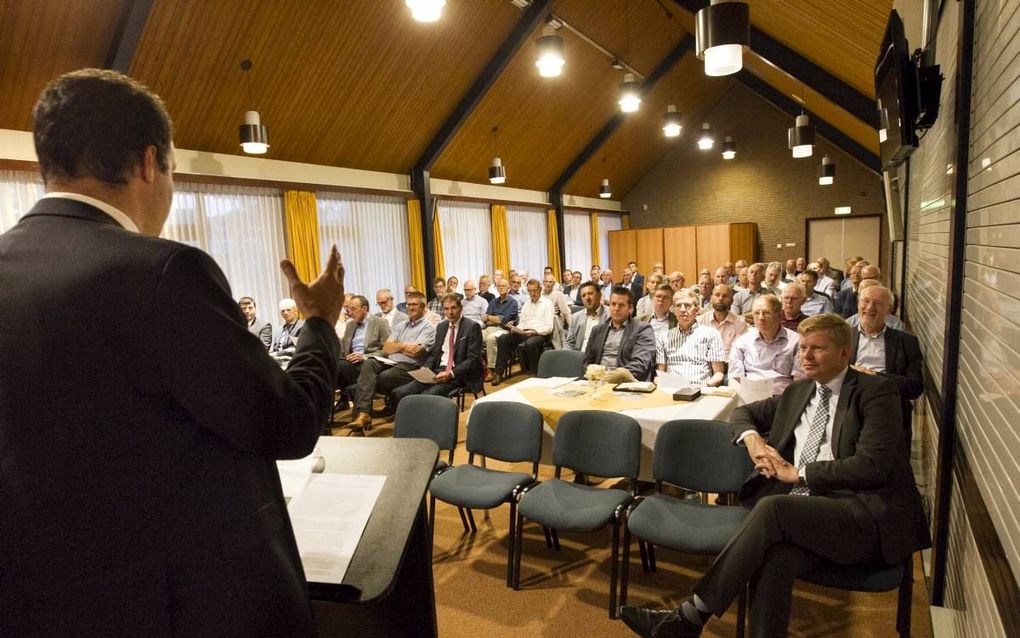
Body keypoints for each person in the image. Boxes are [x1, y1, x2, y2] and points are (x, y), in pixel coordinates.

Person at [0, 69, 343, 636]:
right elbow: (287, 423)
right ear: (149, 162)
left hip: (41, 597)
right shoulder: (162, 271)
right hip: (179, 600)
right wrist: (319, 324)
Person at [622, 315, 930, 638]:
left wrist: (799, 474)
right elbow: (743, 413)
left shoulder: (877, 392)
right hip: (808, 512)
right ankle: (687, 625)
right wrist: (753, 440)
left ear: (844, 353)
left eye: (818, 348)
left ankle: (689, 617)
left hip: (861, 514)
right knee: (776, 558)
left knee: (773, 509)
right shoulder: (800, 391)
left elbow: (872, 466)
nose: (806, 355)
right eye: (804, 348)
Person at [349, 291, 435, 432]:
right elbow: (387, 348)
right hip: (390, 362)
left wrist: (397, 346)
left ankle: (360, 418)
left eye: (414, 305)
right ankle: (363, 414)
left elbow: (415, 352)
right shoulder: (401, 325)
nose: (410, 308)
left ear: (423, 307)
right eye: (408, 305)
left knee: (370, 379)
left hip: (410, 367)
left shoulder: (429, 328)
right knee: (368, 363)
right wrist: (403, 346)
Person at [850, 285, 923, 446]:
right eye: (866, 301)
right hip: (849, 407)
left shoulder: (906, 342)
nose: (870, 307)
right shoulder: (842, 337)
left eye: (877, 303)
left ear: (889, 310)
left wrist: (874, 376)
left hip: (890, 408)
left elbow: (915, 387)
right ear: (858, 303)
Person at [391, 293, 483, 406]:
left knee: (426, 396)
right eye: (446, 309)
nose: (450, 312)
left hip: (459, 375)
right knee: (399, 393)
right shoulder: (442, 327)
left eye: (453, 308)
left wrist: (451, 373)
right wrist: (426, 368)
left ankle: (427, 422)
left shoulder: (472, 327)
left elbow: (472, 360)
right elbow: (434, 354)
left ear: (460, 308)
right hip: (438, 371)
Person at [729, 295, 802, 396]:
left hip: (781, 399)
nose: (761, 318)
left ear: (780, 315)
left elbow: (800, 381)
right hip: (749, 398)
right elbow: (734, 378)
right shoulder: (742, 342)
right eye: (756, 313)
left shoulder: (796, 341)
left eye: (766, 313)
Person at [584, 286, 657, 381]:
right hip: (597, 382)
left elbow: (640, 363)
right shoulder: (597, 330)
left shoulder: (643, 329)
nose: (616, 308)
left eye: (621, 305)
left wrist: (611, 377)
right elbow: (587, 361)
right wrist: (592, 374)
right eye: (613, 304)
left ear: (630, 308)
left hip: (626, 382)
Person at [657, 289, 725, 386]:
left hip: (700, 390)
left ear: (697, 310)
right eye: (678, 305)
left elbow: (719, 374)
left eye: (688, 306)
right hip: (671, 389)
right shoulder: (663, 338)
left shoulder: (711, 335)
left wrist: (705, 387)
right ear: (673, 310)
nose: (683, 309)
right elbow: (661, 372)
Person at [336, 294, 391, 395]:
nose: (350, 313)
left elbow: (388, 350)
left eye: (354, 309)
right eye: (348, 309)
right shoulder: (350, 325)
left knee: (336, 368)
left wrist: (364, 357)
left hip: (367, 364)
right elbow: (344, 350)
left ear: (364, 308)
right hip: (349, 363)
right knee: (326, 366)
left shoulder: (380, 322)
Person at [695, 283, 747, 360]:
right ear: (711, 298)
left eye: (725, 296)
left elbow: (738, 354)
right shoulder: (699, 322)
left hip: (730, 368)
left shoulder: (740, 323)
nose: (720, 298)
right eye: (717, 295)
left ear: (732, 301)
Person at [482, 278, 519, 381]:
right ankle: (477, 368)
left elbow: (504, 320)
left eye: (504, 286)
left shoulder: (513, 302)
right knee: (474, 335)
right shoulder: (494, 301)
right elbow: (486, 319)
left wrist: (491, 318)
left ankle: (491, 371)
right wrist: (494, 318)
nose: (501, 288)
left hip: (503, 330)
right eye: (499, 286)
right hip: (490, 328)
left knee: (490, 339)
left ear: (508, 288)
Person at [565, 281, 607, 351]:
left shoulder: (611, 315)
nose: (587, 298)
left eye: (590, 294)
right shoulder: (575, 317)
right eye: (583, 295)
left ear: (599, 295)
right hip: (579, 357)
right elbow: (569, 344)